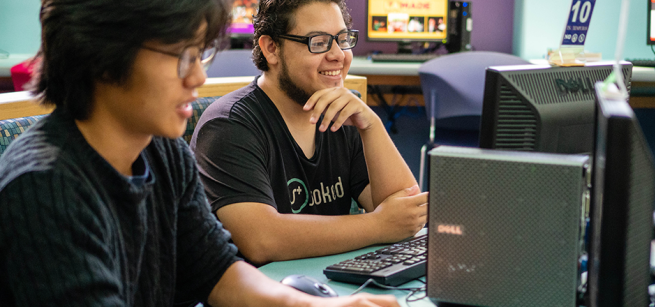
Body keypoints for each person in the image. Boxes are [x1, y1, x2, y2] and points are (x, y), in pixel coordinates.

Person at [0, 0, 400, 306]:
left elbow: (218, 273)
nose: (198, 77)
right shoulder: (43, 188)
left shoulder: (163, 152)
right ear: (103, 60)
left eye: (199, 55)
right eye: (181, 58)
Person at [190, 0, 428, 266]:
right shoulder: (229, 125)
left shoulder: (343, 115)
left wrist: (371, 125)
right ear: (271, 49)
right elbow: (261, 241)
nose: (338, 54)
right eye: (319, 42)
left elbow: (407, 213)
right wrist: (378, 225)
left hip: (332, 282)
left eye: (342, 39)